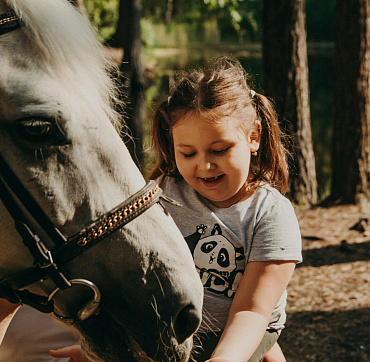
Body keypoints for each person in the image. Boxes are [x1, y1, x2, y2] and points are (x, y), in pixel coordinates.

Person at [147, 56, 302, 362]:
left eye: (219, 150)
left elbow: (252, 310)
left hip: (242, 330)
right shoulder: (164, 190)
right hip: (174, 330)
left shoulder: (270, 215)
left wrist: (223, 359)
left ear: (253, 137)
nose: (204, 165)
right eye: (187, 153)